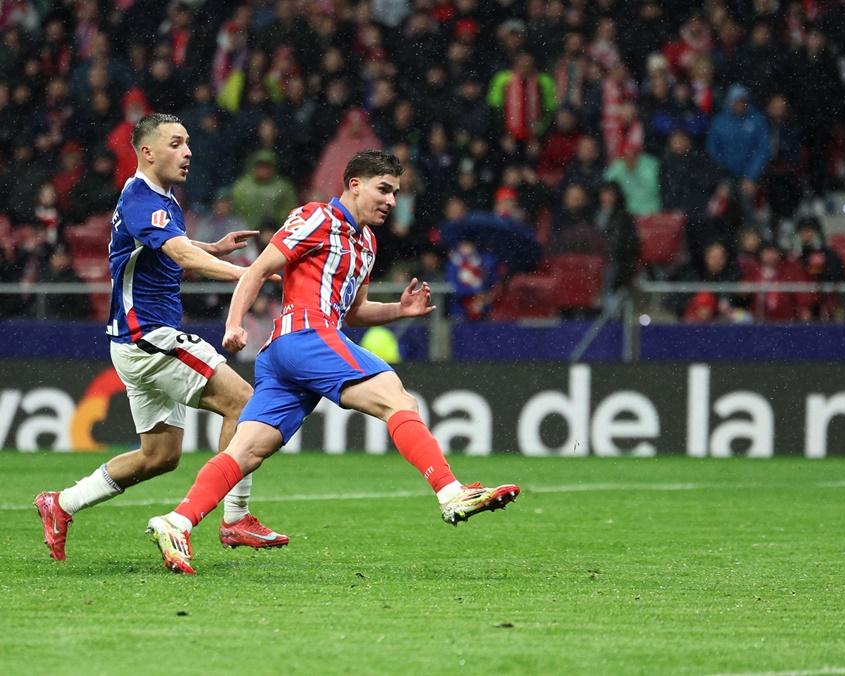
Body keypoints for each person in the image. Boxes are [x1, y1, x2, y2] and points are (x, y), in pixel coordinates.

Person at [146, 150, 519, 575]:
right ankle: (450, 491)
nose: (391, 201)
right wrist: (234, 324)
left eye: (396, 193)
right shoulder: (316, 217)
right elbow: (256, 271)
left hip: (291, 353)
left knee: (247, 450)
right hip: (305, 335)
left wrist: (400, 310)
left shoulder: (367, 243)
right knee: (395, 398)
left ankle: (176, 522)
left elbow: (353, 310)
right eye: (383, 189)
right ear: (354, 185)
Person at [34, 113, 287, 561]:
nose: (187, 152)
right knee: (245, 402)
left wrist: (211, 248)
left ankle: (61, 504)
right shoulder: (140, 198)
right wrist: (248, 273)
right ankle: (234, 518)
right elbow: (176, 249)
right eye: (176, 143)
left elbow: (167, 248)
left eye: (188, 142)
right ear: (147, 152)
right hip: (149, 337)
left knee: (160, 455)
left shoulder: (160, 201)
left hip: (133, 343)